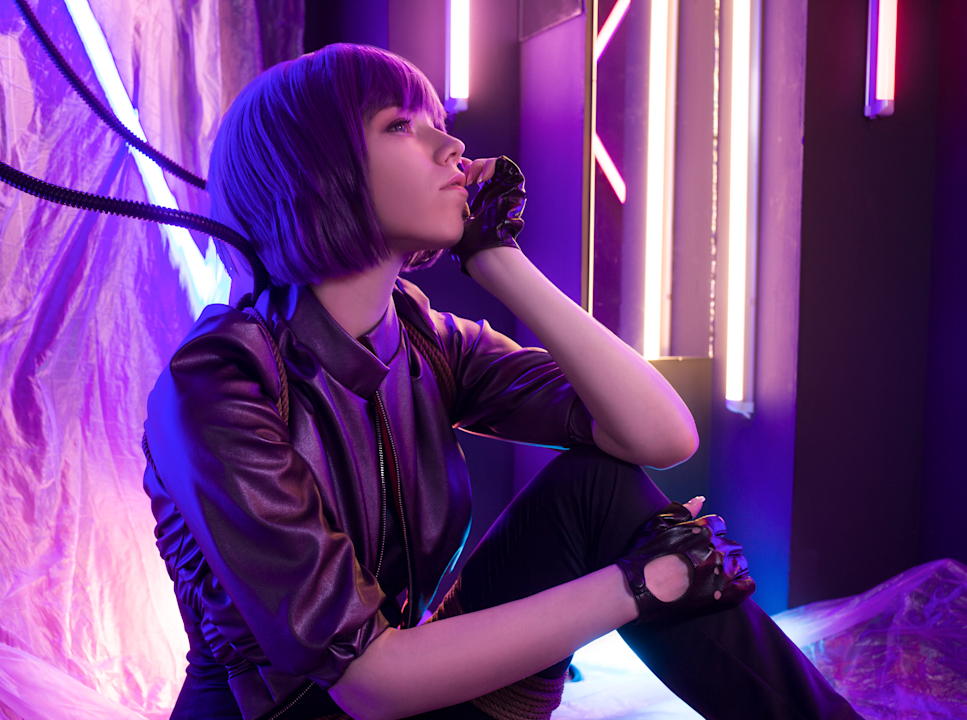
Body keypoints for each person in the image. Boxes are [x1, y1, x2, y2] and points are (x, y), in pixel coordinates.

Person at [142, 43, 860, 720]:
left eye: (439, 123)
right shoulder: (220, 383)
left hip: (415, 694)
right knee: (650, 543)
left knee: (595, 489)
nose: (452, 147)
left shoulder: (421, 337)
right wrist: (642, 585)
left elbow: (661, 435)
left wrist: (498, 258)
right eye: (401, 126)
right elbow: (369, 683)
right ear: (316, 169)